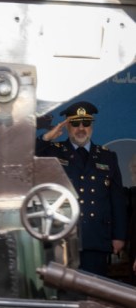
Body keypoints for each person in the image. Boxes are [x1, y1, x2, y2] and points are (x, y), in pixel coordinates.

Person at [37, 101, 126, 278]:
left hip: (96, 237)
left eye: (86, 123)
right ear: (67, 126)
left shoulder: (107, 156)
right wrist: (47, 138)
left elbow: (117, 199)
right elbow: (25, 158)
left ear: (91, 125)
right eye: (75, 123)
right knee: (64, 293)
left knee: (94, 292)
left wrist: (119, 236)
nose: (81, 128)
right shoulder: (53, 151)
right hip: (61, 237)